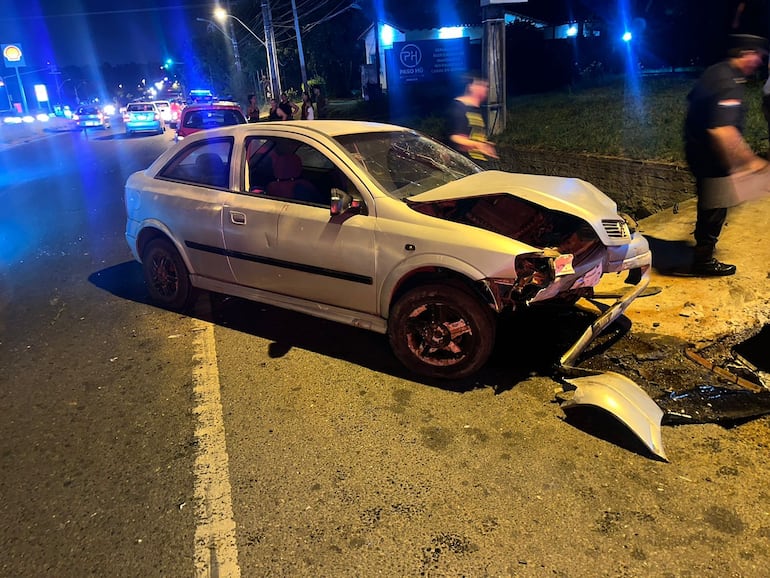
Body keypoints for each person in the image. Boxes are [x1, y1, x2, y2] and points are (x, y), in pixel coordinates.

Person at [684, 34, 770, 276]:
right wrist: (751, 162)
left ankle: (703, 253)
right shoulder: (727, 82)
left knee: (714, 204)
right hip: (710, 157)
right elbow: (723, 131)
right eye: (758, 56)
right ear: (745, 53)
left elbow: (693, 102)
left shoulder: (716, 71)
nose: (760, 62)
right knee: (715, 208)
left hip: (699, 150)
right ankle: (703, 261)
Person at [448, 72, 498, 165]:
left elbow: (471, 135)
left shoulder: (477, 109)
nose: (486, 89)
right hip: (464, 164)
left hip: (478, 162)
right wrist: (478, 144)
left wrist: (484, 144)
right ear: (470, 86)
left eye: (486, 86)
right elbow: (455, 138)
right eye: (481, 85)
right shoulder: (459, 107)